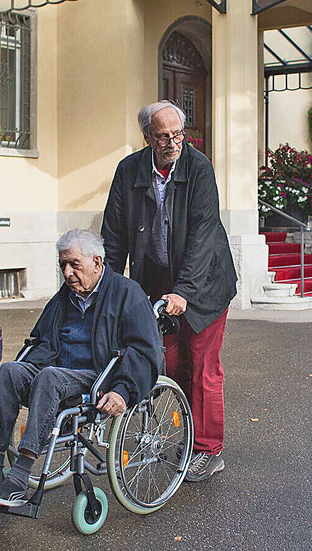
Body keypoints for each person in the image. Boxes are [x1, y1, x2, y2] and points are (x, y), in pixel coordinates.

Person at [0, 229, 160, 507]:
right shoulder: (65, 296)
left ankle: (19, 478)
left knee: (49, 378)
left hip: (97, 376)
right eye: (63, 265)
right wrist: (28, 367)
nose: (68, 272)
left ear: (97, 262)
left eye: (74, 264)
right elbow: (41, 339)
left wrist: (123, 391)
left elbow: (143, 350)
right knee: (10, 371)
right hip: (57, 370)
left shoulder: (126, 293)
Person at [101, 100, 237, 483]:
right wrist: (105, 290)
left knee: (202, 366)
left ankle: (208, 450)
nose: (174, 142)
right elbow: (113, 236)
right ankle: (186, 433)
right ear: (147, 138)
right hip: (159, 280)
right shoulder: (129, 171)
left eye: (179, 134)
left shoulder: (199, 169)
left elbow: (203, 236)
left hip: (205, 283)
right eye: (164, 137)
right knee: (167, 363)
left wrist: (184, 292)